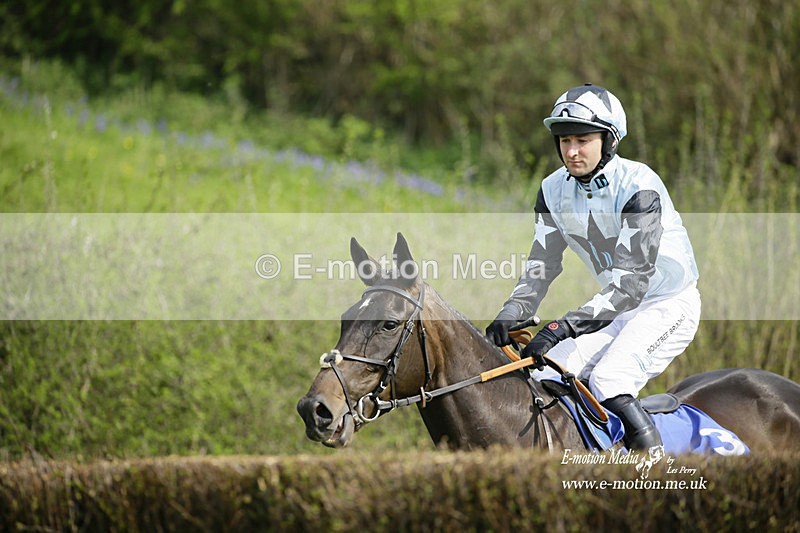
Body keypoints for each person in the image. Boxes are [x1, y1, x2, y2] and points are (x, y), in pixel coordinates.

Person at [486, 83, 700, 460]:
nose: (571, 151)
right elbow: (543, 263)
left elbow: (630, 286)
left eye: (582, 140)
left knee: (609, 379)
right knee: (546, 376)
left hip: (669, 305)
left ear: (609, 140)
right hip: (615, 311)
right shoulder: (552, 190)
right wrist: (512, 311)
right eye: (564, 140)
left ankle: (656, 475)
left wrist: (561, 326)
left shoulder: (640, 186)